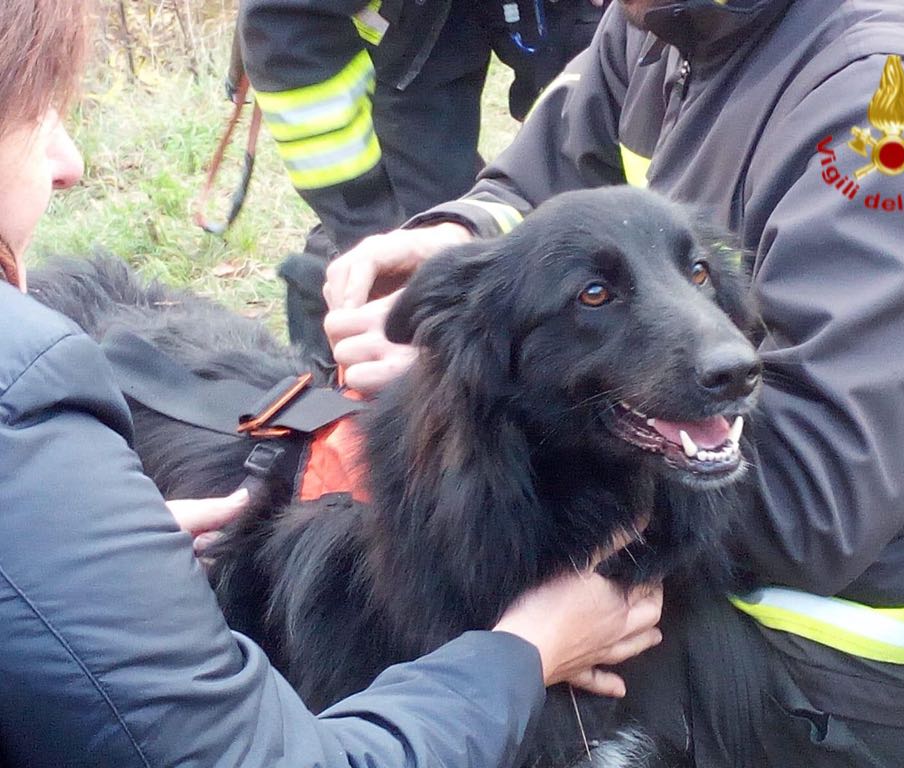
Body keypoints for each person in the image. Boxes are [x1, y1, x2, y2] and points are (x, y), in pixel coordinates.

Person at [321, 0, 904, 765]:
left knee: (454, 671)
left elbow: (818, 500)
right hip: (700, 500)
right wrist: (462, 234)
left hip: (834, 638)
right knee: (362, 572)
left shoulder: (893, 102)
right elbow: (551, 174)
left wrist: (475, 383)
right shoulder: (665, 17)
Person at [0, 1, 666, 765]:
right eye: (39, 113)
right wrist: (526, 650)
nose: (71, 164)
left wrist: (83, 548)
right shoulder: (24, 396)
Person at [238, 0, 607, 358]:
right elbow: (285, 22)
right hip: (412, 24)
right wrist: (370, 228)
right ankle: (336, 385)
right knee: (400, 246)